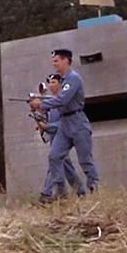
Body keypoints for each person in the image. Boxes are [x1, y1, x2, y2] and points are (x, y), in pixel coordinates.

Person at [29, 49, 99, 200]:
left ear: (66, 60)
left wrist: (40, 104)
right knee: (54, 156)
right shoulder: (64, 80)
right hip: (64, 124)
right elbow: (57, 99)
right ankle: (60, 192)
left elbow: (62, 100)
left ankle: (95, 190)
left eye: (56, 60)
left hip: (77, 122)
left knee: (85, 161)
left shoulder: (73, 78)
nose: (54, 64)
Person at [37, 73, 86, 203]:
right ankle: (80, 191)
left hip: (62, 139)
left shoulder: (64, 101)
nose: (51, 85)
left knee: (53, 164)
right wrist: (40, 122)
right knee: (67, 168)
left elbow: (64, 123)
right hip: (54, 139)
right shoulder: (51, 102)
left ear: (60, 84)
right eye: (49, 83)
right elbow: (46, 117)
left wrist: (48, 126)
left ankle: (46, 194)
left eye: (54, 82)